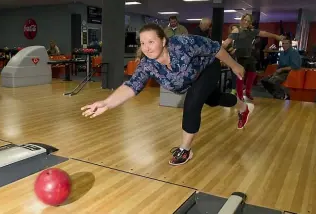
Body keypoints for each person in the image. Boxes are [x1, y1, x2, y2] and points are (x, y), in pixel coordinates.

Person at [81, 23, 253, 166]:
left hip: (208, 68)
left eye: (151, 42)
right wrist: (107, 103)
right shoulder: (147, 65)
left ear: (163, 40)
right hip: (191, 80)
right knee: (216, 100)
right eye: (142, 43)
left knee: (193, 103)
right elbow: (131, 86)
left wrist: (234, 65)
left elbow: (215, 48)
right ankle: (244, 107)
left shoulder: (183, 44)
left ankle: (185, 150)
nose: (146, 48)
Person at [222, 14, 285, 101]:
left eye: (248, 21)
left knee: (252, 74)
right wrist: (220, 51)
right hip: (239, 56)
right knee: (240, 76)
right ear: (242, 20)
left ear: (250, 22)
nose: (246, 22)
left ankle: (247, 92)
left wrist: (276, 36)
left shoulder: (251, 31)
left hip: (249, 56)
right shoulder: (237, 30)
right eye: (245, 20)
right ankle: (239, 95)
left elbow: (264, 33)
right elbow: (227, 42)